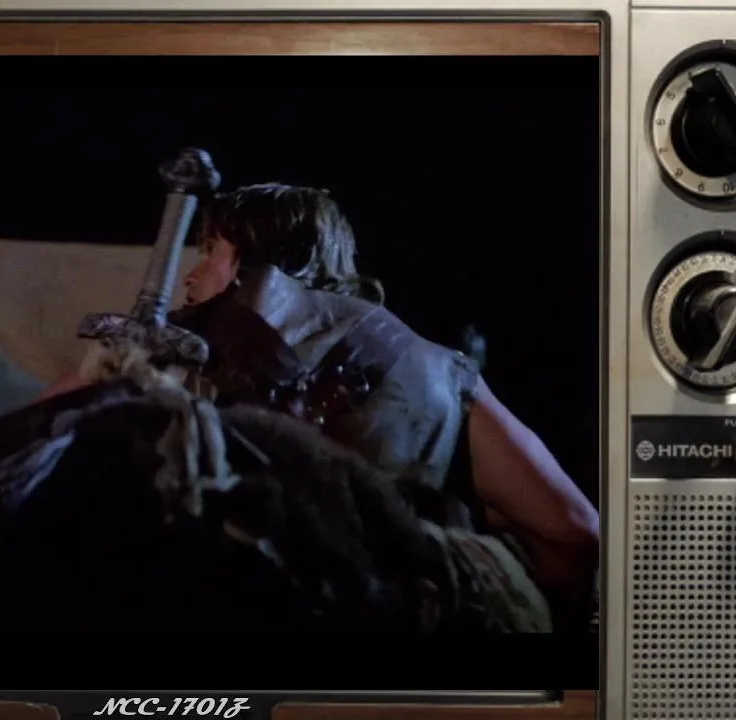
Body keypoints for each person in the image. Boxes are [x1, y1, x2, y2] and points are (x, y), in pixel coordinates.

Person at [37, 183, 599, 628]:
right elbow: (573, 531)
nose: (192, 273)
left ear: (261, 257)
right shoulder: (439, 370)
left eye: (210, 250)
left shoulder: (169, 347)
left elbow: (26, 448)